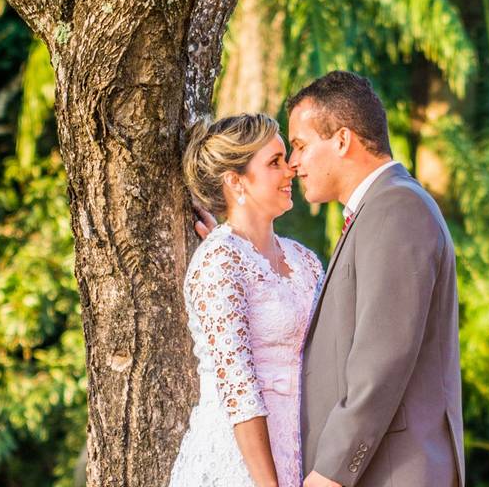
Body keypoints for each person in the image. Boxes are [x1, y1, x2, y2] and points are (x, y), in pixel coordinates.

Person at [287, 71, 464, 487]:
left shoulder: (397, 208)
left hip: (394, 472)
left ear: (343, 140)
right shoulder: (379, 210)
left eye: (300, 146)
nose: (294, 164)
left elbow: (382, 357)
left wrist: (330, 472)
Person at [170, 113, 323, 487]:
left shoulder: (305, 261)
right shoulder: (218, 261)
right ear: (236, 181)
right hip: (239, 463)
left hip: (302, 451)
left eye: (286, 158)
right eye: (274, 162)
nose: (290, 171)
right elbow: (239, 391)